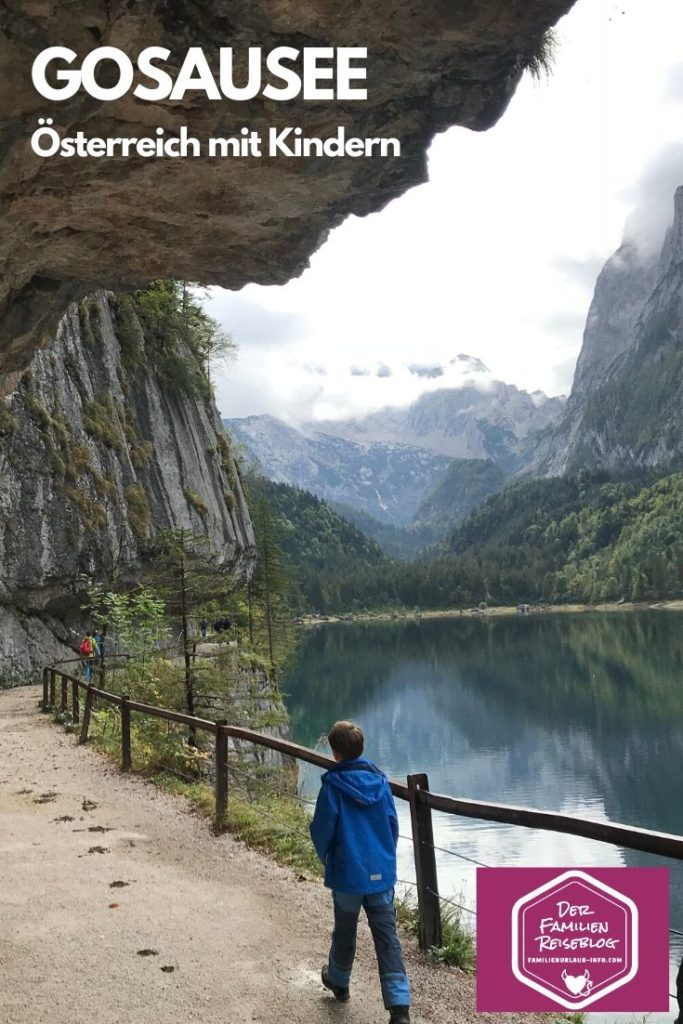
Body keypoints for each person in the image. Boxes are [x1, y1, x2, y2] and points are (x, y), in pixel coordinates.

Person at [310, 720, 411, 1024]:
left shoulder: (332, 787)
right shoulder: (381, 785)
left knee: (345, 929)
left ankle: (339, 981)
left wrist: (327, 859)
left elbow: (322, 830)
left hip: (347, 875)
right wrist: (383, 860)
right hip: (380, 874)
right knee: (387, 936)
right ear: (361, 748)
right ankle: (399, 1006)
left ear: (335, 752)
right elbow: (392, 827)